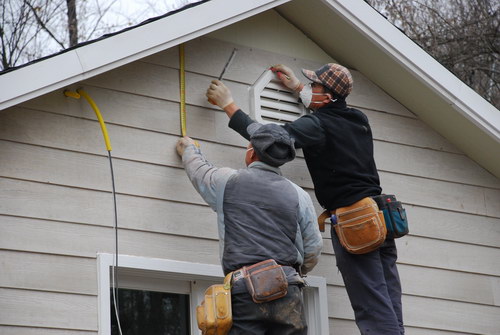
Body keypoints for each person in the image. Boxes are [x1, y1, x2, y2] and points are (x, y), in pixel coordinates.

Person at [206, 63, 405, 335]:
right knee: (389, 302)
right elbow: (329, 114)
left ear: (329, 95)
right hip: (381, 218)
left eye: (315, 85)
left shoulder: (318, 124)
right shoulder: (358, 119)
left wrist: (229, 105)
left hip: (356, 222)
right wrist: (298, 90)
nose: (310, 87)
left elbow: (269, 139)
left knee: (372, 307)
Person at [175, 123, 323, 335]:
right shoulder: (298, 194)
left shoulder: (228, 181)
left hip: (246, 289)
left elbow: (200, 173)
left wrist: (188, 148)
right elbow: (313, 247)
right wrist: (289, 272)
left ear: (252, 153)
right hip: (288, 287)